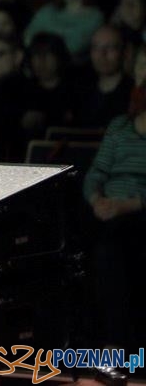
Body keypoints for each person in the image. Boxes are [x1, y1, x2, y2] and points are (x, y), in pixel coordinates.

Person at [81, 48, 146, 347]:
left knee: (114, 246)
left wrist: (128, 205)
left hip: (137, 210)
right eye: (142, 65)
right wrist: (96, 199)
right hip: (108, 208)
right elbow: (96, 173)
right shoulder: (120, 126)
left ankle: (120, 344)